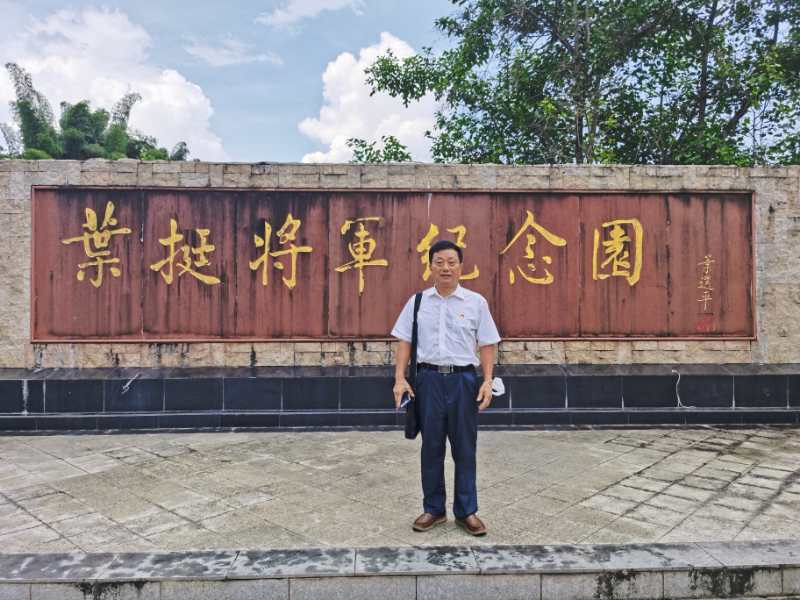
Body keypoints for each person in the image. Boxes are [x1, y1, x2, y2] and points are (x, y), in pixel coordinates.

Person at [391, 239, 501, 536]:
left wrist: (487, 381)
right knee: (432, 447)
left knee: (465, 448)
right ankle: (434, 509)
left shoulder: (475, 303)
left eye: (451, 262)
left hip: (463, 381)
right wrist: (400, 379)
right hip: (427, 381)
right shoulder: (417, 302)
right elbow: (404, 342)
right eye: (439, 262)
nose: (445, 268)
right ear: (430, 266)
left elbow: (487, 344)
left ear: (461, 267)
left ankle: (467, 511)